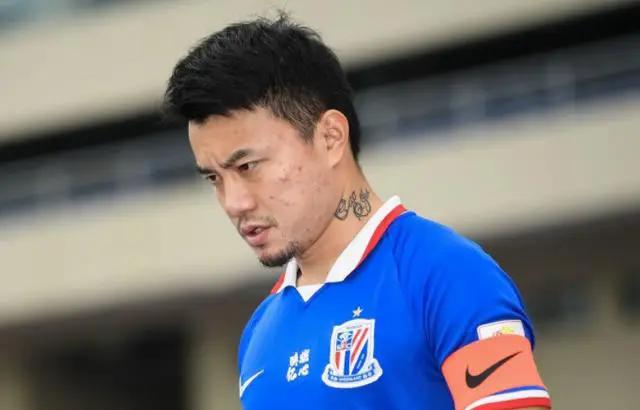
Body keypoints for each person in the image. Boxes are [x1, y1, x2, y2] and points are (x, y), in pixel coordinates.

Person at [163, 13, 551, 410]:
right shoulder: (258, 333)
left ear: (331, 137)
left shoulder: (445, 273)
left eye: (248, 167)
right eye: (214, 178)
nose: (234, 202)